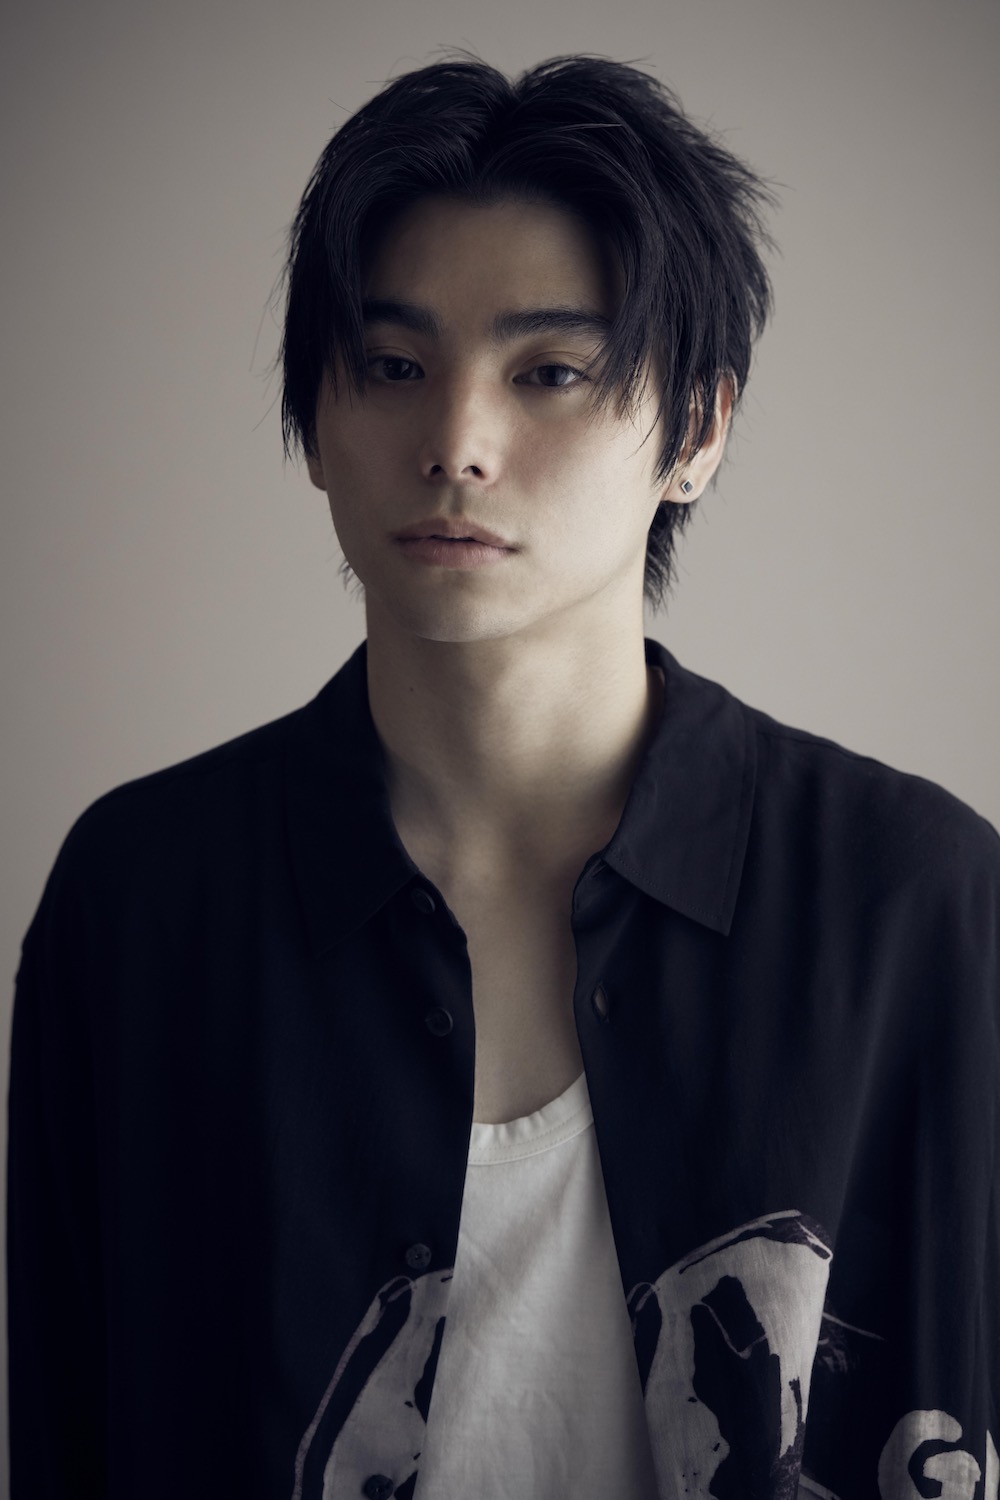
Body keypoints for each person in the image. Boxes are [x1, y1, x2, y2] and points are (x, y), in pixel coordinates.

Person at [7, 48, 999, 1500]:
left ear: (698, 429)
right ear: (317, 417)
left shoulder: (918, 900)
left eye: (549, 373)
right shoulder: (145, 899)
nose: (456, 443)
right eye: (393, 367)